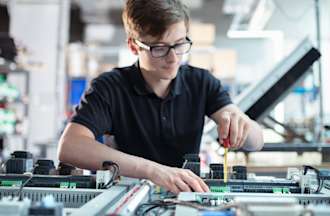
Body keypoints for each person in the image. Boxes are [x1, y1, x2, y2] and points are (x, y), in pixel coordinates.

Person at [58, 0, 264, 194]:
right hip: (127, 196)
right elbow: (70, 147)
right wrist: (153, 171)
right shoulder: (110, 87)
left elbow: (256, 142)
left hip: (186, 198)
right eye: (160, 48)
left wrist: (242, 125)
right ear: (133, 46)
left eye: (180, 44)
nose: (173, 58)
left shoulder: (201, 82)